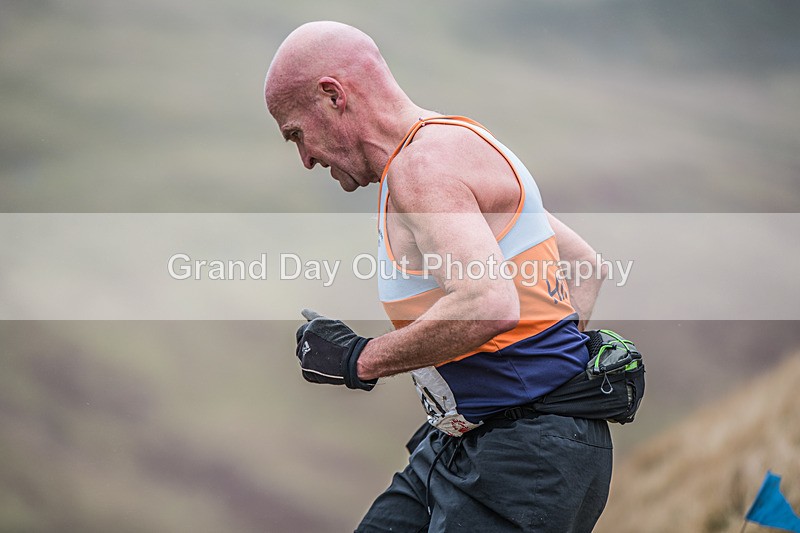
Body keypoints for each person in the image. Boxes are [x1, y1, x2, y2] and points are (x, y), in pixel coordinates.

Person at [265, 21, 611, 533]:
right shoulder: (445, 147)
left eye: (297, 134)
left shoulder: (424, 169)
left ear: (333, 96)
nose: (305, 159)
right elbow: (587, 267)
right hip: (475, 442)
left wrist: (358, 359)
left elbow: (487, 305)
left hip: (522, 458)